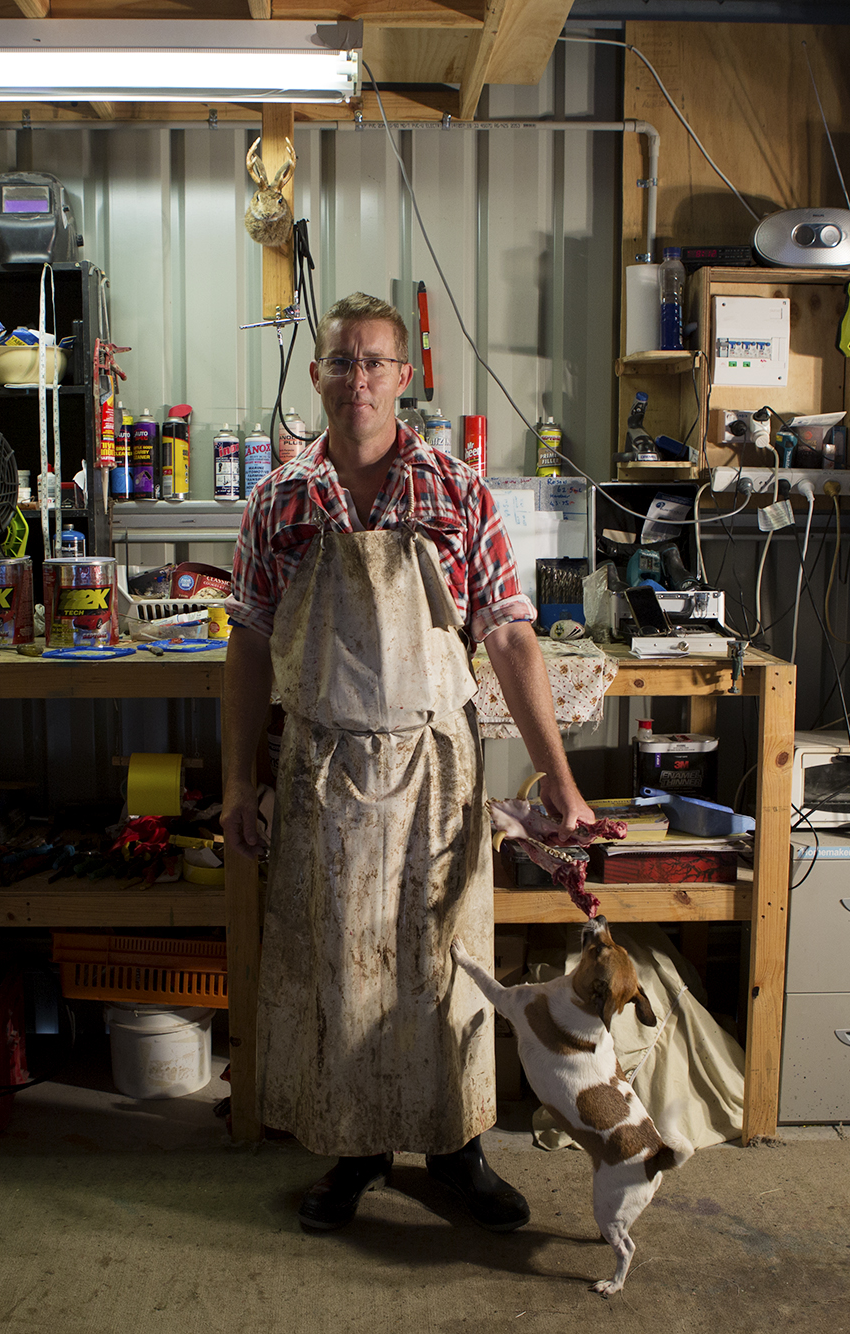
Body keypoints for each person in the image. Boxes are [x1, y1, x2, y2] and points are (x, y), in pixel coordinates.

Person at [220, 292, 595, 1234]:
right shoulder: (280, 501)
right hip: (321, 768)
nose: (358, 379)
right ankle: (353, 1150)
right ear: (317, 377)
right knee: (342, 967)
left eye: (375, 362)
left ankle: (457, 1152)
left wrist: (558, 774)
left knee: (446, 963)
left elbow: (509, 638)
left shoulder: (458, 491)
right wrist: (237, 781)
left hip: (437, 769)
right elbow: (249, 645)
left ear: (403, 378)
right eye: (341, 362)